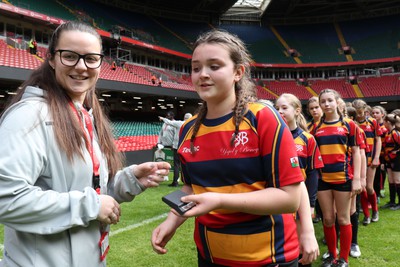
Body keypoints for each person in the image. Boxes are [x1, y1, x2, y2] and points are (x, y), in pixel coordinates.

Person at [0, 21, 170, 267]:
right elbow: (6, 199)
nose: (81, 66)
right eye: (69, 56)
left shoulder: (85, 114)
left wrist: (129, 180)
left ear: (100, 63)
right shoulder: (29, 116)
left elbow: (83, 187)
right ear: (51, 59)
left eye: (91, 58)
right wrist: (89, 206)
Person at [151, 29, 304, 267]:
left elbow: (289, 199)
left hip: (270, 258)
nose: (203, 74)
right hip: (210, 257)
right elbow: (191, 187)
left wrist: (221, 201)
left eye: (214, 66)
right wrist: (172, 219)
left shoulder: (263, 118)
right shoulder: (188, 129)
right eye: (196, 67)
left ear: (238, 72)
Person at [314, 89, 361, 267]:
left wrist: (357, 179)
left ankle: (343, 259)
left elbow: (357, 153)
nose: (326, 104)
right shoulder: (316, 127)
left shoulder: (349, 125)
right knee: (327, 219)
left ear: (337, 102)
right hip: (322, 180)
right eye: (323, 101)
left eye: (330, 100)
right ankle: (332, 256)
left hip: (343, 178)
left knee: (343, 219)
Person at [275, 93, 322, 267]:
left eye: (284, 108)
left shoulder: (308, 139)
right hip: (278, 201)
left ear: (297, 110)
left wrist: (310, 204)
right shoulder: (272, 138)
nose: (280, 111)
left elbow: (312, 175)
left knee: (302, 249)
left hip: (300, 203)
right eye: (277, 108)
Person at [352, 99, 382, 225]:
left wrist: (376, 157)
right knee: (362, 189)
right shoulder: (352, 124)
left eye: (361, 113)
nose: (360, 115)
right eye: (357, 113)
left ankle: (375, 210)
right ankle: (366, 215)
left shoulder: (373, 122)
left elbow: (378, 140)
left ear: (366, 111)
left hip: (370, 158)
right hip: (359, 159)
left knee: (369, 187)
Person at [158, 112, 193, 187]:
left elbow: (169, 122)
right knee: (187, 165)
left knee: (176, 165)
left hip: (177, 147)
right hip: (187, 147)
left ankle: (175, 182)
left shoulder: (180, 123)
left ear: (184, 117)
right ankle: (188, 182)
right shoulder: (193, 125)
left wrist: (162, 118)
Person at [382, 113, 400, 210]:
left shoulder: (395, 133)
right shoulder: (388, 133)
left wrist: (394, 154)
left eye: (384, 121)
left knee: (397, 180)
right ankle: (392, 202)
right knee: (391, 180)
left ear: (388, 122)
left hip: (396, 160)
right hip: (388, 160)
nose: (383, 123)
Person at [371, 106, 388, 199]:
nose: (374, 115)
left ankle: (379, 191)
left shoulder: (386, 126)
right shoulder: (370, 125)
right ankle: (375, 193)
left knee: (382, 173)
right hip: (374, 153)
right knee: (375, 174)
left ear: (382, 114)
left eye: (377, 113)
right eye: (373, 113)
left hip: (384, 154)